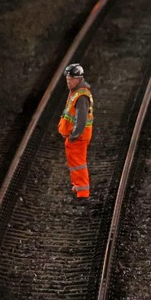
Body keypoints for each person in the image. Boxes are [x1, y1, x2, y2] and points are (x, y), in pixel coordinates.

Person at [57, 63, 94, 202]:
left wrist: (74, 136)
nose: (68, 82)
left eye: (70, 79)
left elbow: (81, 119)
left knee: (79, 164)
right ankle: (78, 186)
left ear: (78, 79)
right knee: (75, 163)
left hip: (79, 137)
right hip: (75, 137)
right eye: (67, 79)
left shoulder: (81, 96)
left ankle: (83, 193)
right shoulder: (76, 92)